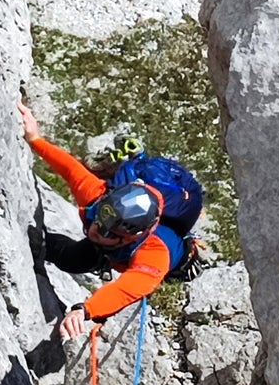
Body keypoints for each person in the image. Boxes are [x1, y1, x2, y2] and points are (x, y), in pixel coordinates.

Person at [20, 101, 187, 340]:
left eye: (107, 231)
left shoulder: (154, 255)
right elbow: (70, 170)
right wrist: (35, 138)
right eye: (99, 219)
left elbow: (125, 289)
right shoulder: (97, 197)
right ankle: (39, 245)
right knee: (72, 259)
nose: (96, 230)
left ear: (133, 235)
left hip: (164, 263)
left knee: (87, 271)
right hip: (114, 251)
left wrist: (85, 310)